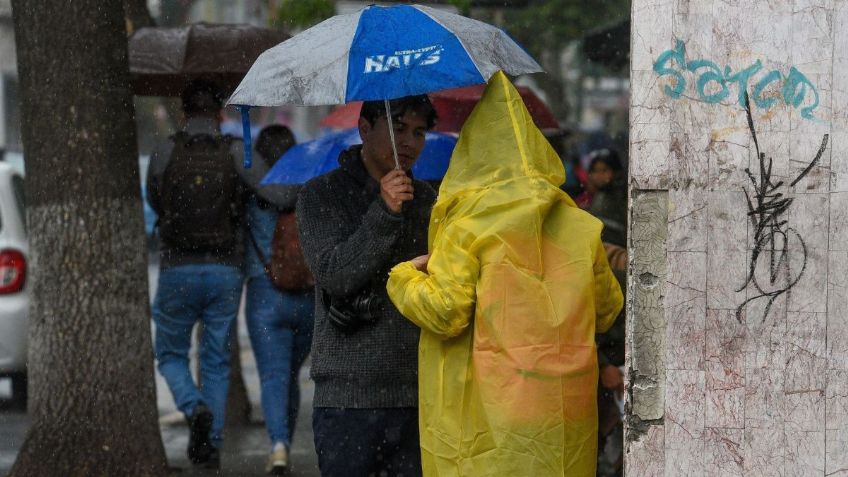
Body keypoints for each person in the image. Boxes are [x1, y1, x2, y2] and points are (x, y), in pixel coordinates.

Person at [386, 71, 623, 476]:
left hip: (489, 414)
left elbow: (446, 311)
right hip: (560, 412)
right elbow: (605, 311)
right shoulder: (581, 227)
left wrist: (404, 278)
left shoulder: (468, 226)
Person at [296, 95, 438, 477]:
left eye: (419, 132)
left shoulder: (428, 200)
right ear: (364, 128)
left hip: (419, 393)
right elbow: (336, 275)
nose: (409, 142)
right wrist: (385, 212)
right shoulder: (320, 195)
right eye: (398, 128)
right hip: (347, 399)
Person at [147, 79, 249, 469]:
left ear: (183, 112)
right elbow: (256, 193)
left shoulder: (165, 150)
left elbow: (155, 196)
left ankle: (194, 407)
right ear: (220, 113)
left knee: (171, 353)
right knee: (216, 360)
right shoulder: (234, 151)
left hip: (177, 267)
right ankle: (213, 444)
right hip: (225, 269)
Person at [242, 124, 315, 475]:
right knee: (290, 373)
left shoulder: (254, 190)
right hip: (306, 296)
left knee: (273, 375)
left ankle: (279, 444)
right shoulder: (308, 189)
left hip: (265, 294)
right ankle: (285, 439)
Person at [584, 148, 628, 248]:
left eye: (604, 170)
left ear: (617, 172)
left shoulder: (621, 197)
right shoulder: (600, 194)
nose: (599, 176)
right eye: (595, 171)